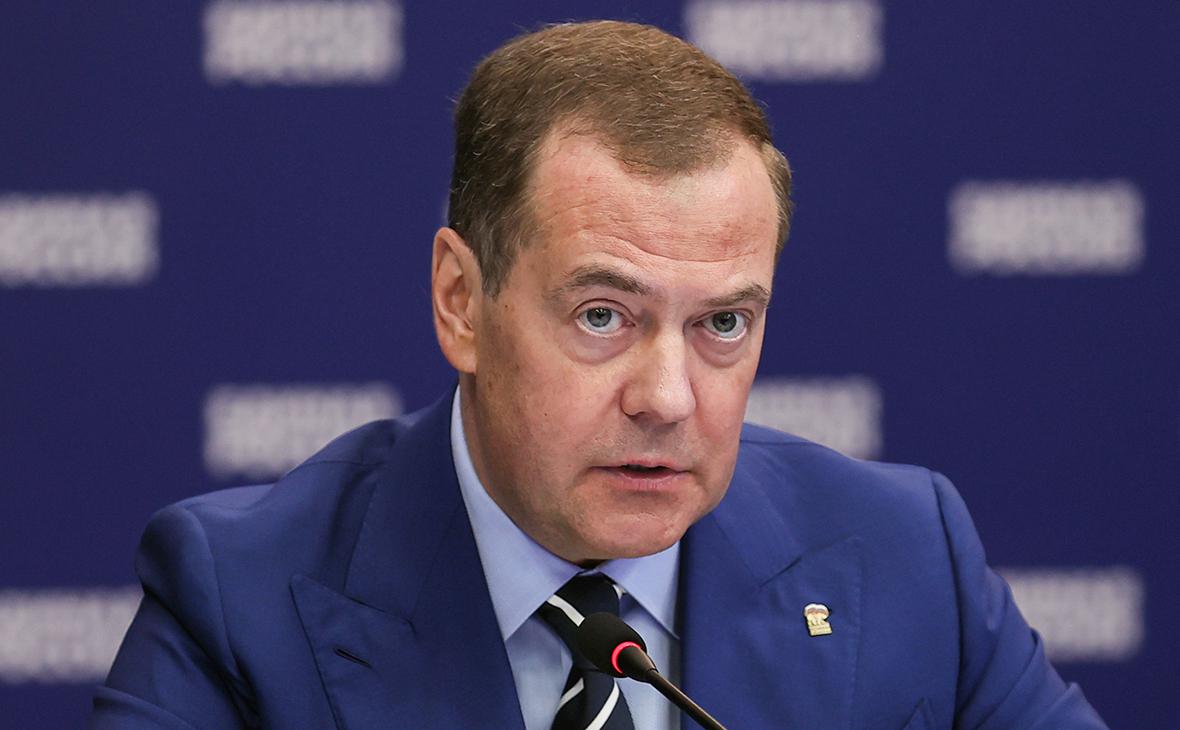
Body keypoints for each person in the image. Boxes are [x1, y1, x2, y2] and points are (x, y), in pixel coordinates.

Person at [93, 20, 1107, 729]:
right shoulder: (239, 600)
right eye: (602, 316)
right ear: (461, 300)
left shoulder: (905, 558)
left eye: (722, 323)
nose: (667, 397)